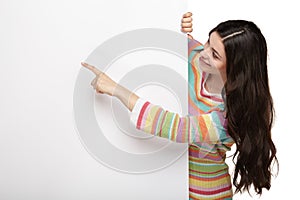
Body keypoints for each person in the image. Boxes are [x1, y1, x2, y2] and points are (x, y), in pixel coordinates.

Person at [81, 12, 278, 200]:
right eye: (209, 41)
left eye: (215, 54)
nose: (204, 52)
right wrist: (177, 22)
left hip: (206, 195)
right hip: (173, 185)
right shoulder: (200, 59)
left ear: (235, 69)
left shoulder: (227, 116)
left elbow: (176, 127)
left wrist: (115, 88)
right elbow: (177, 45)